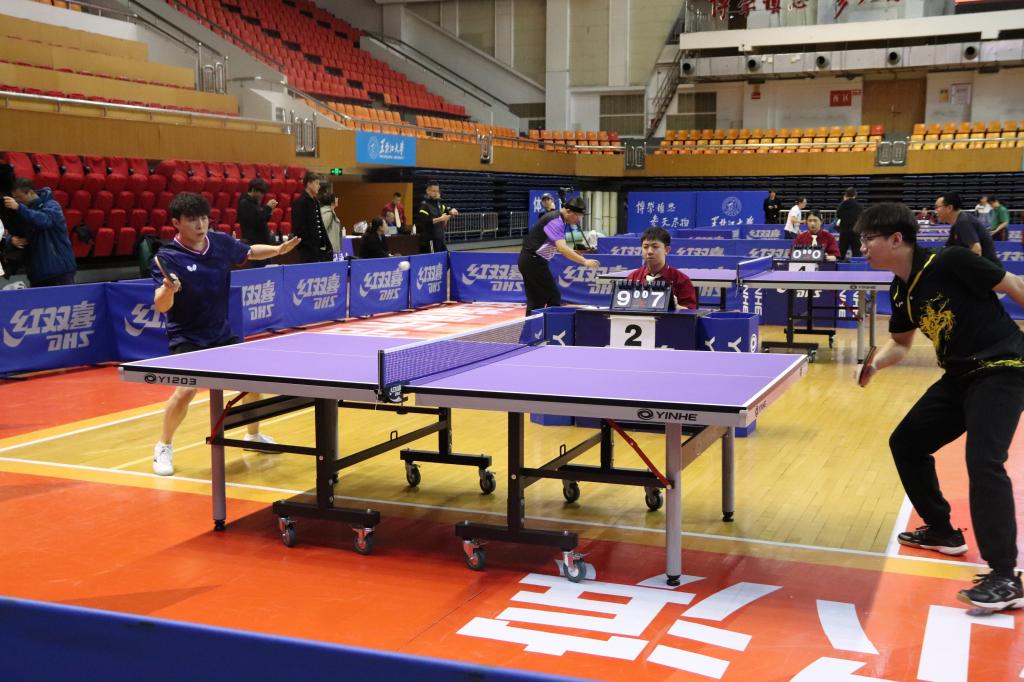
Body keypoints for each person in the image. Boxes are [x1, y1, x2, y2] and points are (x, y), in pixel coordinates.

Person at [857, 202, 1024, 612]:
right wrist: (875, 364)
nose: (861, 247)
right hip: (960, 376)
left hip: (1003, 367)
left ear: (896, 239)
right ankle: (941, 530)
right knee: (907, 442)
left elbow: (1012, 284)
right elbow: (901, 343)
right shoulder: (900, 289)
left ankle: (1006, 575)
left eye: (867, 239)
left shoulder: (950, 261)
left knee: (984, 461)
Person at [151, 192, 301, 476]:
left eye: (203, 218)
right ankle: (163, 446)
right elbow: (161, 305)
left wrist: (278, 250)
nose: (200, 225)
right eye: (192, 220)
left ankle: (252, 436)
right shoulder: (168, 257)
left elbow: (249, 252)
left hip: (221, 332)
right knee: (186, 390)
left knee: (252, 381)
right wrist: (168, 290)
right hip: (188, 336)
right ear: (176, 223)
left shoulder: (219, 242)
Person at [518, 195, 598, 314]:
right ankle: (551, 323)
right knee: (553, 296)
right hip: (533, 261)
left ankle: (532, 325)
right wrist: (584, 261)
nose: (578, 219)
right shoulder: (555, 221)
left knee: (537, 301)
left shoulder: (559, 219)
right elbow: (562, 248)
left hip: (532, 260)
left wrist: (572, 252)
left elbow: (552, 244)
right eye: (577, 215)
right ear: (568, 211)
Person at [2, 177, 76, 287]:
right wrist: (11, 240)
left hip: (58, 270)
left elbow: (45, 221)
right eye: (15, 198)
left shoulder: (52, 205)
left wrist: (19, 208)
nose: (17, 201)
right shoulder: (21, 211)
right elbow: (9, 231)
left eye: (19, 197)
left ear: (31, 192)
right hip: (36, 272)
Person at [625, 227, 697, 309]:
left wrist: (675, 307)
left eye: (655, 247)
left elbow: (691, 312)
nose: (649, 251)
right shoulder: (633, 278)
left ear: (667, 250)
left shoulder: (682, 280)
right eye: (645, 247)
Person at [935, 192, 998, 265]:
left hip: (988, 270)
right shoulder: (956, 225)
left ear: (949, 208)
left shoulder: (963, 222)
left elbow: (976, 250)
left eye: (937, 207)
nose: (935, 211)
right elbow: (947, 250)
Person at [290, 172, 333, 263]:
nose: (319, 186)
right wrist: (310, 246)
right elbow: (298, 229)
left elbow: (320, 224)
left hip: (318, 249)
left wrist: (328, 244)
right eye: (317, 183)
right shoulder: (300, 202)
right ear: (309, 184)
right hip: (307, 250)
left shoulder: (315, 201)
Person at [237, 178, 278, 267]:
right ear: (253, 190)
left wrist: (270, 212)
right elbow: (256, 221)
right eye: (261, 192)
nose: (262, 195)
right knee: (259, 270)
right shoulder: (245, 203)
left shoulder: (254, 203)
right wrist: (267, 208)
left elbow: (262, 220)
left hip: (262, 243)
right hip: (255, 244)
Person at [414, 180, 458, 253]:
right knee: (434, 259)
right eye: (433, 191)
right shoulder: (424, 206)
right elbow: (426, 221)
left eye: (437, 191)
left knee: (446, 257)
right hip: (430, 240)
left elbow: (447, 209)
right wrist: (441, 219)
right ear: (428, 191)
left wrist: (452, 211)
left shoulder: (439, 204)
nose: (436, 193)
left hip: (440, 238)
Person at [834, 187, 863, 260]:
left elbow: (838, 215)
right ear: (855, 195)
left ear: (846, 195)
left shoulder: (842, 205)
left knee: (841, 254)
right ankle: (857, 266)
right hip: (855, 232)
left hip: (844, 232)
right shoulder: (859, 206)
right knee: (857, 254)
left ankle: (839, 265)